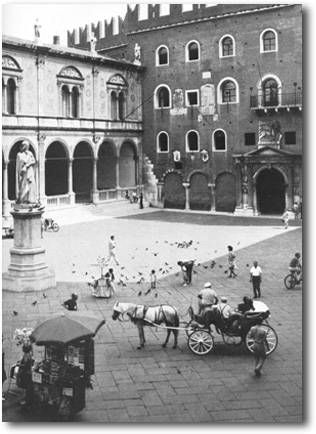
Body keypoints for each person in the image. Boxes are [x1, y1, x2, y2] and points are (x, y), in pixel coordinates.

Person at [16, 140, 37, 204]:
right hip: (24, 173)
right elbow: (19, 165)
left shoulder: (30, 153)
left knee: (31, 185)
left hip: (30, 171)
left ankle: (30, 199)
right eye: (26, 146)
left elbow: (34, 161)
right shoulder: (19, 154)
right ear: (23, 146)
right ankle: (23, 200)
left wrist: (27, 165)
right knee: (24, 185)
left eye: (28, 146)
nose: (27, 147)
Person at [17, 343, 33, 408]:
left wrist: (19, 365)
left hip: (25, 373)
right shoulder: (29, 355)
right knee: (26, 388)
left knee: (24, 387)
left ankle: (25, 401)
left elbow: (25, 365)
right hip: (27, 373)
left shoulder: (26, 356)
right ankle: (26, 401)